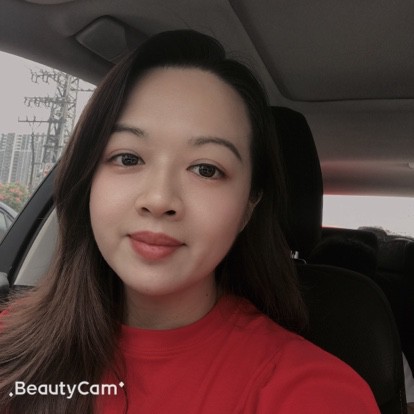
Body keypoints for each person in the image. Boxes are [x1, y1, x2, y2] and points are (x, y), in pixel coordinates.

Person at [0, 30, 379, 413]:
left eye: (206, 169)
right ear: (87, 180)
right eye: (128, 158)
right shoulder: (10, 341)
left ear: (248, 206)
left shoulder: (313, 393)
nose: (159, 199)